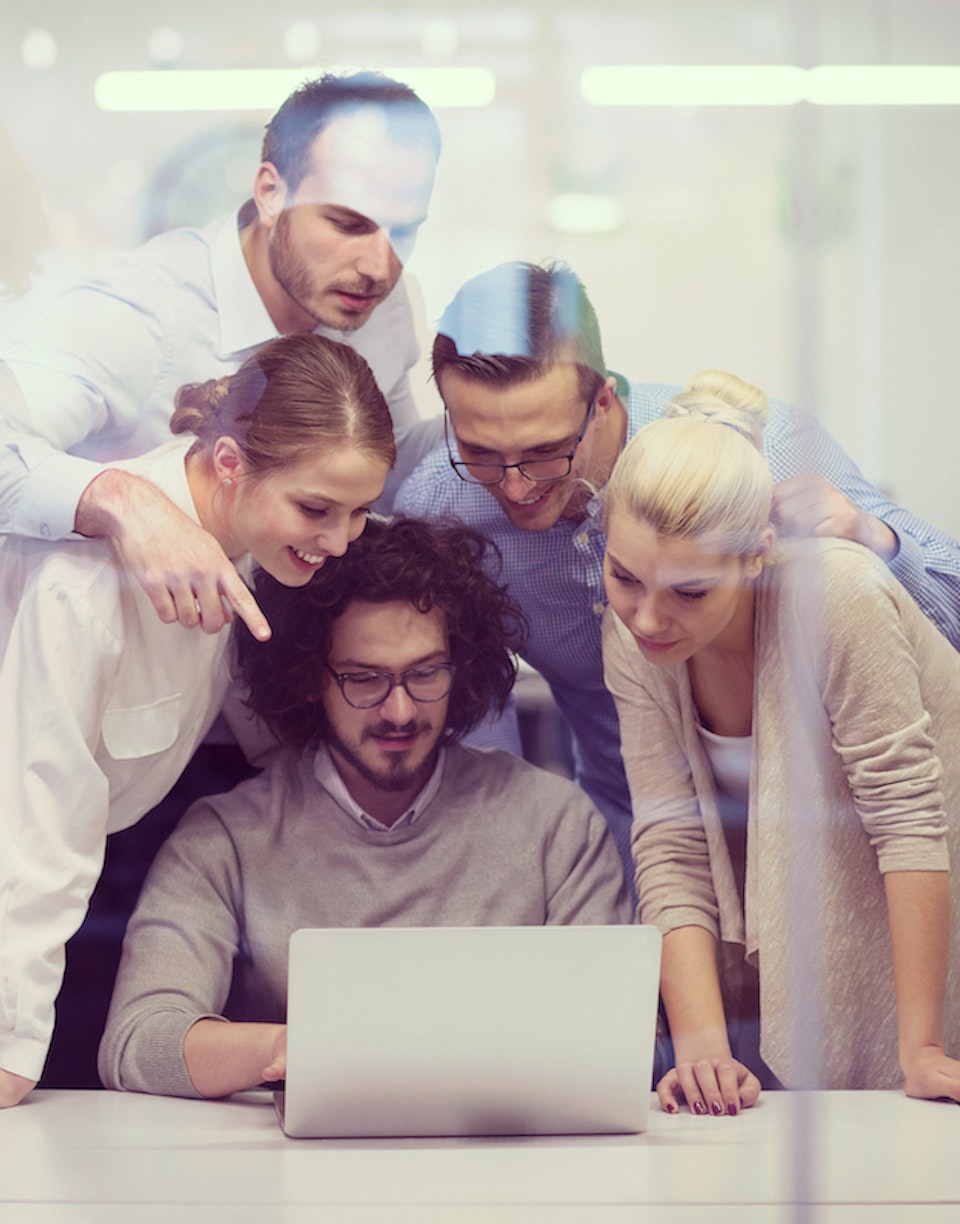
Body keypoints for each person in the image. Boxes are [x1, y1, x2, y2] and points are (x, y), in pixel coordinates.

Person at [395, 261, 960, 876]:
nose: (516, 485)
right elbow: (476, 709)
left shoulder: (758, 454)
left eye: (545, 452)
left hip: (833, 841)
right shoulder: (442, 510)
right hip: (638, 841)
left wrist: (874, 541)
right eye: (479, 453)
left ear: (602, 399)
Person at [97, 516, 631, 1100]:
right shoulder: (227, 839)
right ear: (307, 678)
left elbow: (609, 1041)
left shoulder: (553, 824)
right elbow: (137, 1044)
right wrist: (292, 1049)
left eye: (425, 673)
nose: (399, 711)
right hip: (294, 1177)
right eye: (363, 679)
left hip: (502, 1165)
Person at [0, 331, 396, 1108]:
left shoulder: (246, 531)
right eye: (318, 509)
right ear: (228, 463)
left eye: (359, 512)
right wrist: (9, 1045)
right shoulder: (85, 589)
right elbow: (36, 827)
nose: (339, 540)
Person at [601, 369, 960, 1116]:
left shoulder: (837, 595)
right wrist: (702, 1049)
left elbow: (909, 822)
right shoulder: (629, 635)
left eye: (691, 591)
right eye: (624, 576)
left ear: (757, 555)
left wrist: (924, 1046)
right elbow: (669, 844)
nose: (647, 619)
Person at [0, 69, 441, 640]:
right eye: (347, 222)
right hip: (84, 669)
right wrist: (127, 503)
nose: (381, 267)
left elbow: (397, 463)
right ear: (270, 193)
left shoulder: (382, 303)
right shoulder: (139, 314)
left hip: (252, 680)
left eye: (404, 231)